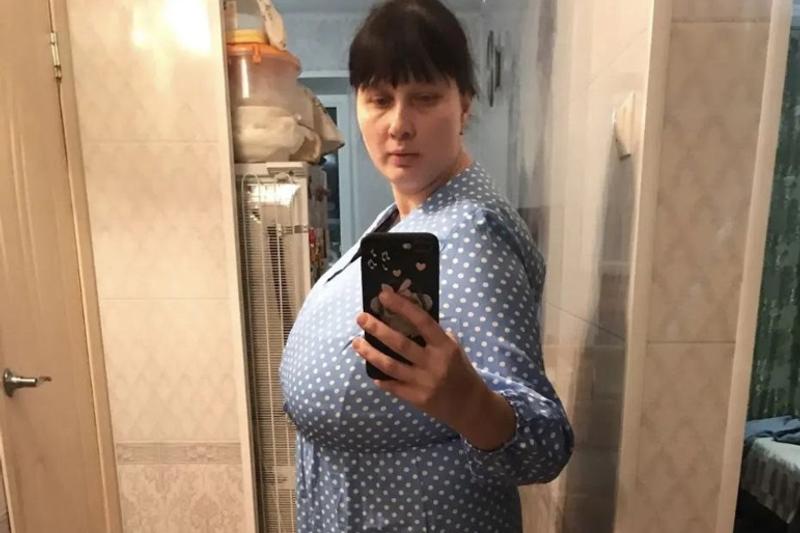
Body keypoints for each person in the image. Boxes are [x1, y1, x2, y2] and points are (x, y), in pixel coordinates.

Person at [279, 1, 573, 531]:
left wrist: (468, 402)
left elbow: (544, 445)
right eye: (379, 99)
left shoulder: (474, 233)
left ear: (465, 104)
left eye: (425, 98)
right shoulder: (408, 218)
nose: (399, 125)